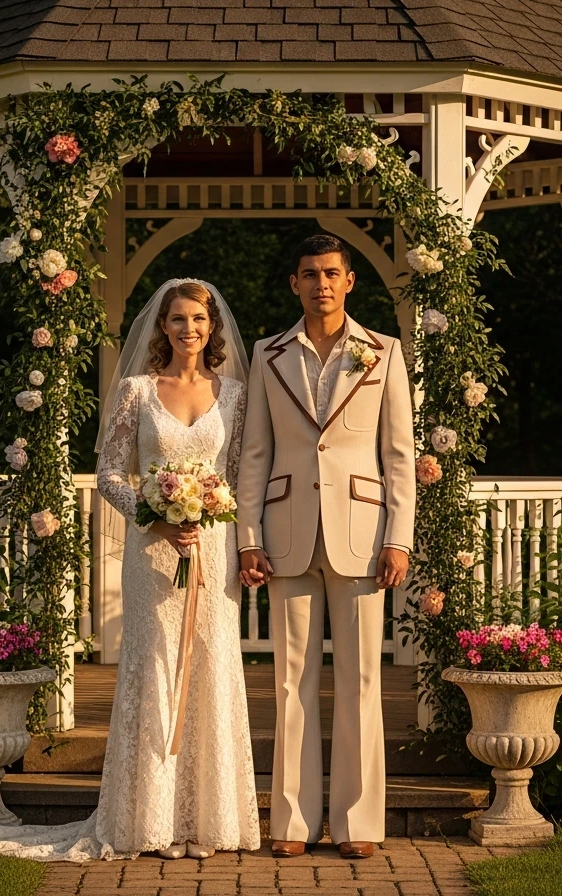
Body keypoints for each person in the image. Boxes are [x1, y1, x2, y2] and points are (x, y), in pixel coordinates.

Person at [0, 278, 260, 861]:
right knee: (151, 669)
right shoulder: (136, 390)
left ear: (214, 328)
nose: (189, 330)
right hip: (152, 553)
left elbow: (239, 475)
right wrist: (155, 515)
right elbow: (109, 472)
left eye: (199, 320)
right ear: (162, 326)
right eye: (178, 319)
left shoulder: (234, 395)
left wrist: (213, 516)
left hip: (212, 550)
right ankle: (145, 821)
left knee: (211, 667)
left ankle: (210, 820)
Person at [236, 234, 416, 860]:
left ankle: (358, 823)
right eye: (310, 274)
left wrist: (399, 537)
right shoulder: (268, 354)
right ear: (294, 283)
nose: (321, 284)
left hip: (363, 537)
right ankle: (290, 823)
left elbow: (398, 457)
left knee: (363, 678)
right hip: (286, 533)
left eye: (332, 273)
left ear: (349, 282)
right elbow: (254, 453)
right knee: (291, 682)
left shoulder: (384, 353)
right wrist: (248, 537)